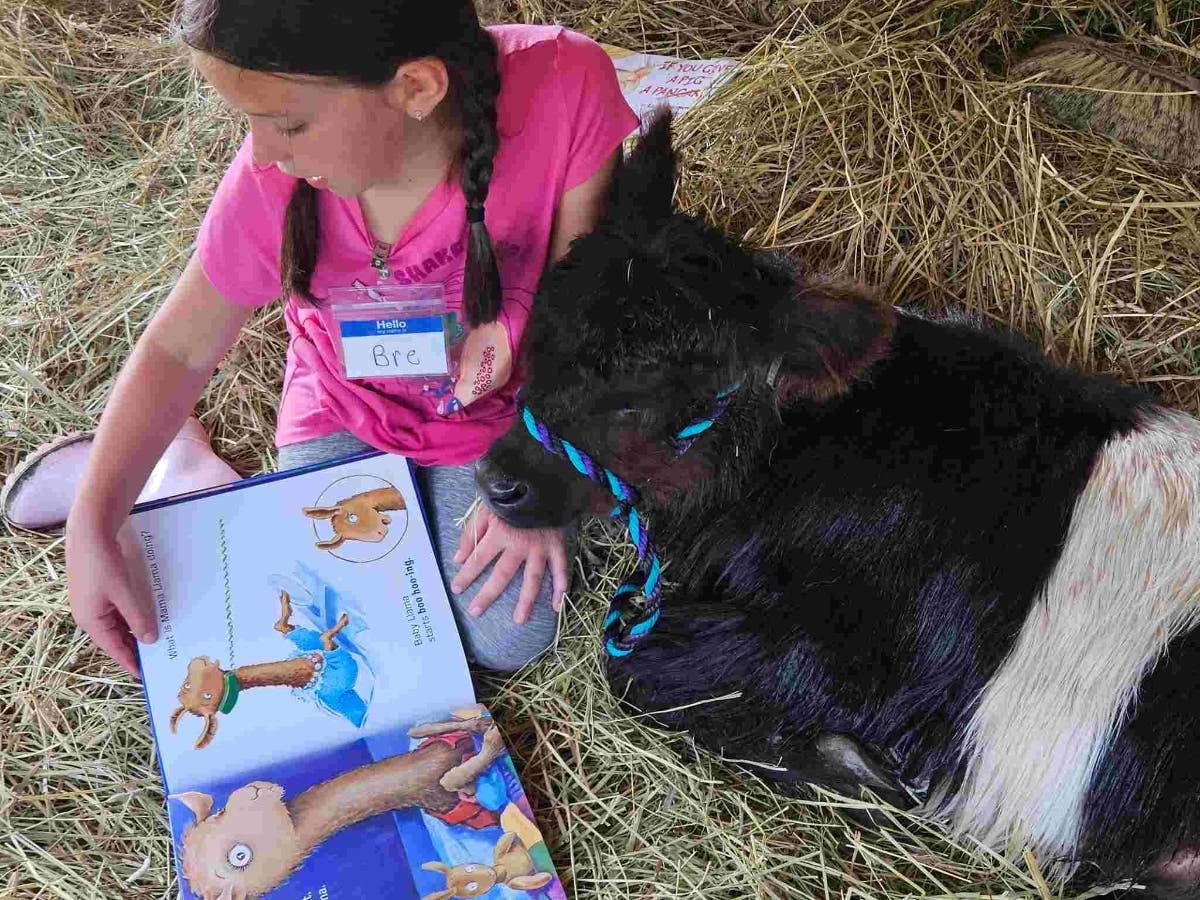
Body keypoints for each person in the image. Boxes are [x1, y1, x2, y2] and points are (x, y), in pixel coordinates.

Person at [6, 0, 640, 678]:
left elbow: (583, 311)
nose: (262, 153)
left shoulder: (566, 83)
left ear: (416, 88)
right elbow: (180, 347)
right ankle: (183, 472)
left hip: (500, 417)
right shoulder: (274, 181)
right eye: (248, 122)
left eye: (289, 124)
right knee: (341, 613)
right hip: (347, 404)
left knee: (506, 641)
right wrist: (96, 518)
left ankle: (201, 481)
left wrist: (532, 481)